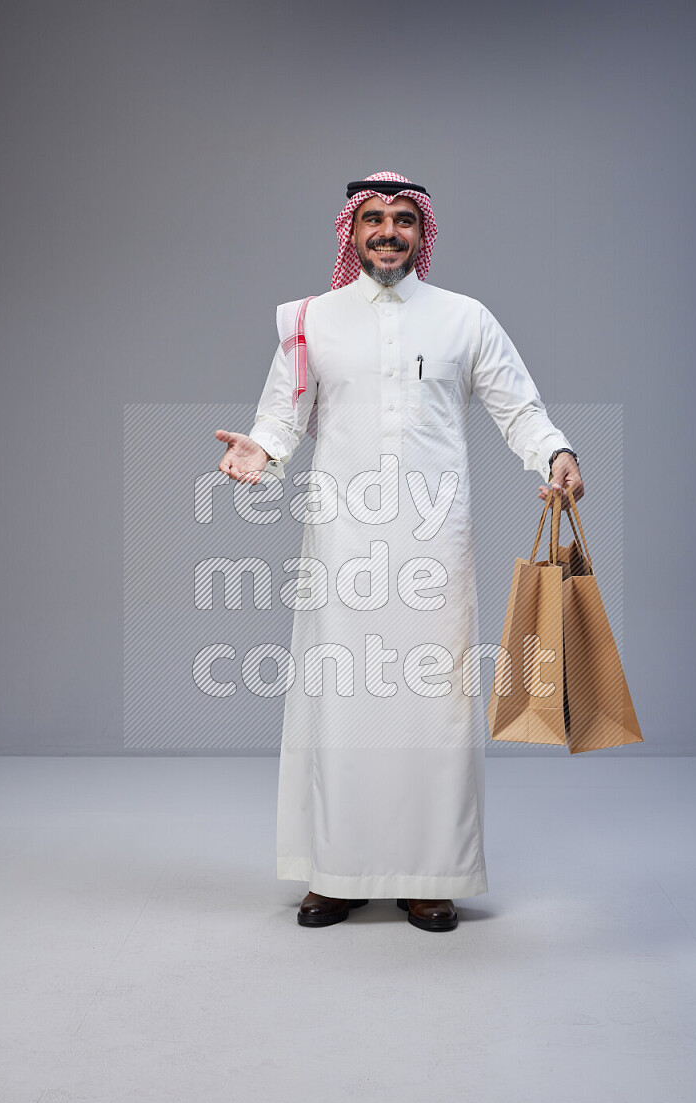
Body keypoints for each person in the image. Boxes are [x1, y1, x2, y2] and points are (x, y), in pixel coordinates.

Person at [215, 171, 583, 932]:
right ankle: (337, 873)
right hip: (341, 540)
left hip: (433, 542)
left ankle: (430, 875)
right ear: (351, 232)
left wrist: (554, 454)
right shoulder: (310, 320)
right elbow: (282, 417)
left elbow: (518, 404)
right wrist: (262, 451)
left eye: (403, 220)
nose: (388, 231)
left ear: (423, 233)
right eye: (373, 219)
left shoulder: (464, 320)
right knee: (341, 704)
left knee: (432, 705)